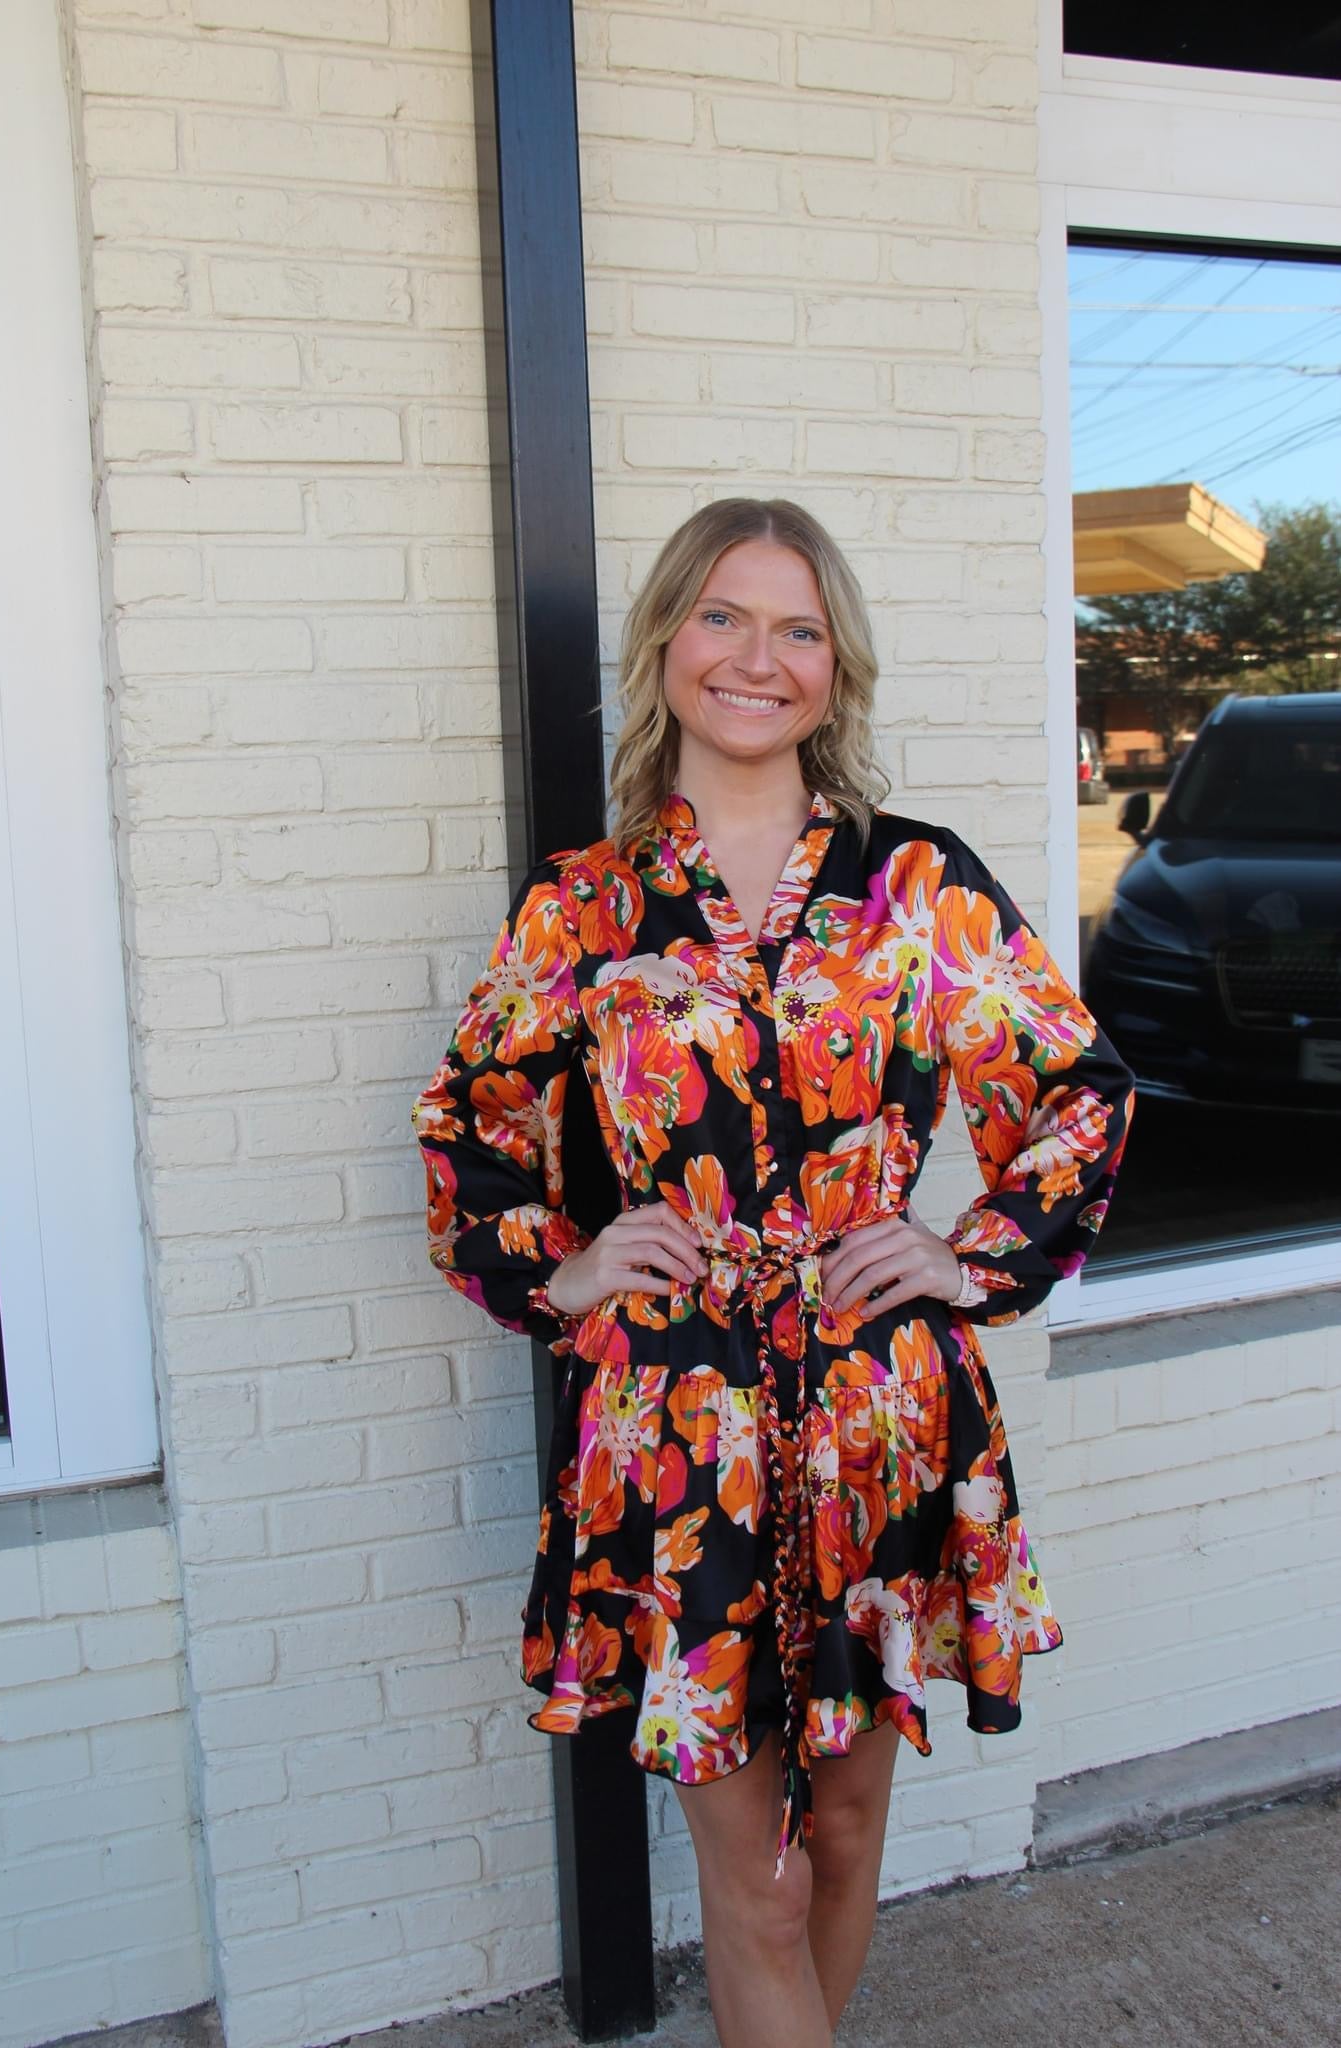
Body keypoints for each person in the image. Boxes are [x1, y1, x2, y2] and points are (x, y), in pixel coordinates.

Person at [413, 497, 1134, 2048]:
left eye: (797, 627)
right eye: (726, 618)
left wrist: (962, 1250)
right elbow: (469, 1127)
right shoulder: (584, 906)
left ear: (836, 664)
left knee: (850, 1839)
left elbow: (1079, 1090)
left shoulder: (914, 886)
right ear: (668, 641)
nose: (759, 658)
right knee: (750, 1880)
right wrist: (575, 1259)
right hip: (676, 1439)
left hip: (881, 1411)